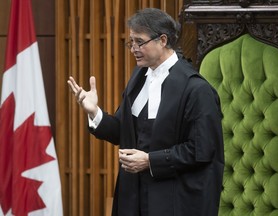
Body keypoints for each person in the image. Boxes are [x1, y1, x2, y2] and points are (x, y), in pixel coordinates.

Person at [67, 8, 224, 216]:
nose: (133, 48)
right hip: (134, 196)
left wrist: (150, 160)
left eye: (139, 42)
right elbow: (123, 132)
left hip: (175, 200)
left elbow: (201, 150)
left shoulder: (196, 89)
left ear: (163, 40)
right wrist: (95, 112)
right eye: (130, 42)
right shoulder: (139, 76)